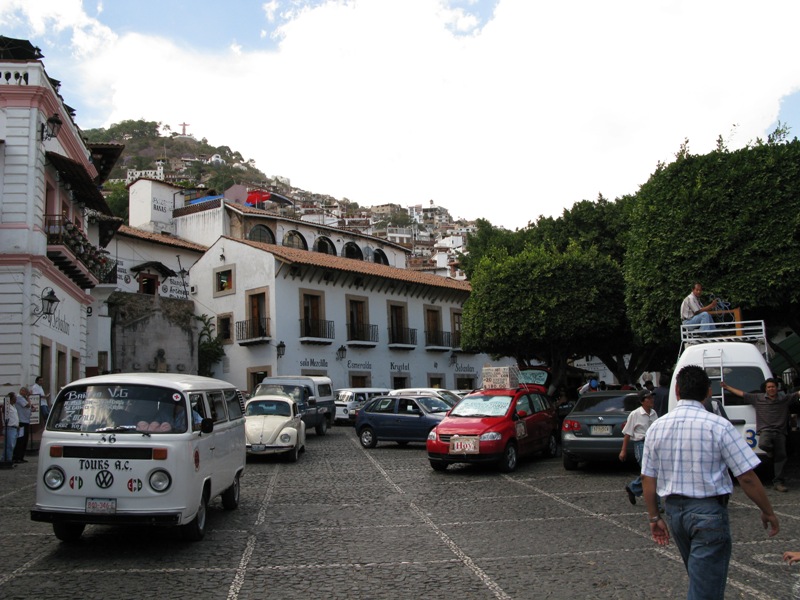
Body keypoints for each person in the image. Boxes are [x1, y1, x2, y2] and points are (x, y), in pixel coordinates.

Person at [641, 365, 779, 599]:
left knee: (699, 579)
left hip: (675, 513)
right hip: (708, 513)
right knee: (706, 589)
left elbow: (648, 477)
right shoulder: (718, 425)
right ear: (708, 392)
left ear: (676, 390)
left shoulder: (657, 427)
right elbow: (745, 475)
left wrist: (654, 517)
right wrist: (767, 511)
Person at [721, 377, 800, 492]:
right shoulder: (758, 398)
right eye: (769, 387)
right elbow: (742, 394)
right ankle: (770, 451)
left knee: (781, 457)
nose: (771, 389)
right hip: (765, 430)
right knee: (763, 444)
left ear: (776, 388)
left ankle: (778, 482)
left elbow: (797, 393)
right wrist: (727, 387)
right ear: (766, 389)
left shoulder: (784, 399)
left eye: (773, 386)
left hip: (780, 432)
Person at [619, 390, 658, 506]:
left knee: (653, 473)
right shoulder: (635, 414)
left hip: (652, 445)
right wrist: (623, 450)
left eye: (652, 397)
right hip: (640, 444)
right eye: (648, 398)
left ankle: (633, 487)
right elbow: (627, 433)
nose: (651, 400)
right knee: (648, 473)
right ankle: (657, 504)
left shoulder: (654, 413)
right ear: (642, 401)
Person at [13, 387, 31, 463]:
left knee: (24, 440)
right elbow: (27, 405)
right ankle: (17, 457)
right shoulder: (19, 397)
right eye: (24, 391)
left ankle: (21, 457)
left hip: (25, 421)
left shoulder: (23, 398)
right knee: (21, 440)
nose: (25, 393)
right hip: (22, 422)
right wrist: (28, 397)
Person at [2, 392, 19, 464]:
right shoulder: (7, 406)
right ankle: (7, 460)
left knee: (11, 445)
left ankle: (5, 459)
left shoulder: (13, 406)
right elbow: (4, 410)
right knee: (10, 445)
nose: (16, 399)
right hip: (9, 428)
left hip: (14, 428)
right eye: (15, 397)